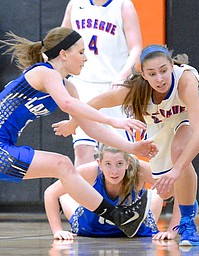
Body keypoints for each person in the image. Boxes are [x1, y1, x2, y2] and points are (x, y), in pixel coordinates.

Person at [0, 27, 158, 238]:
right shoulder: (44, 72)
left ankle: (119, 217)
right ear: (64, 54)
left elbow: (90, 128)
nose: (85, 58)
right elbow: (66, 104)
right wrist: (113, 119)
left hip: (6, 146)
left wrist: (131, 147)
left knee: (63, 166)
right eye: (81, 52)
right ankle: (118, 217)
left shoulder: (69, 87)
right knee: (63, 164)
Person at [53, 44, 199, 246]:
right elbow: (97, 102)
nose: (160, 78)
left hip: (189, 112)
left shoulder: (185, 82)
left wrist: (177, 170)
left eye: (164, 71)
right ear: (144, 75)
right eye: (152, 74)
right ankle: (187, 197)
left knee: (179, 152)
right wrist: (73, 123)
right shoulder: (135, 90)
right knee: (166, 191)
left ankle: (188, 220)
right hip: (162, 118)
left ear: (172, 66)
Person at [61, 0, 142, 167]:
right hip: (82, 84)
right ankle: (84, 193)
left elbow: (136, 48)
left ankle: (128, 193)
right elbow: (60, 43)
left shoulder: (123, 6)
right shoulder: (75, 4)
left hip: (115, 87)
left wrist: (122, 77)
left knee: (123, 155)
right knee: (83, 149)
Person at [45, 145, 159, 239]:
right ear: (100, 163)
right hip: (91, 228)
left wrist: (172, 231)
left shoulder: (139, 169)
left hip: (137, 231)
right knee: (64, 193)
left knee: (158, 193)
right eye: (108, 164)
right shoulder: (90, 170)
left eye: (119, 164)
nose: (114, 172)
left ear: (127, 162)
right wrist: (57, 231)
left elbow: (175, 189)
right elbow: (50, 192)